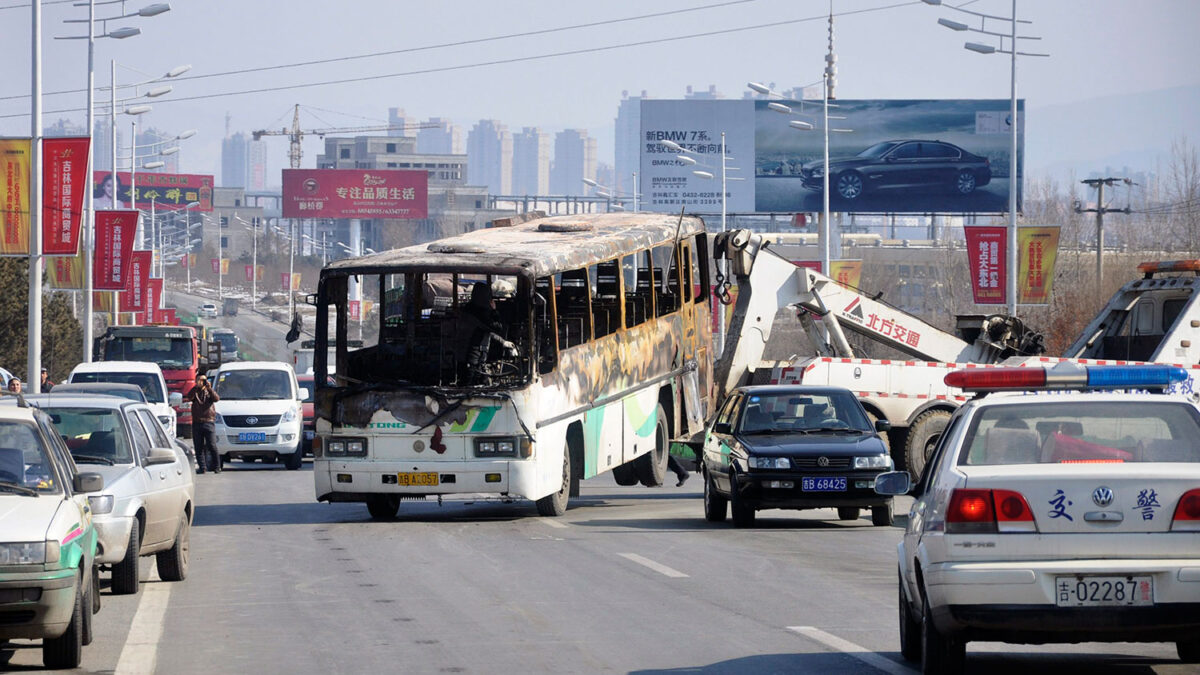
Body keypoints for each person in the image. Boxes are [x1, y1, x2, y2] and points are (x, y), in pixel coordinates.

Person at [457, 282, 516, 384]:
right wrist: (494, 311)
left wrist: (503, 342)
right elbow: (496, 327)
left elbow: (486, 330)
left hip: (471, 355)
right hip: (473, 356)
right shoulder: (479, 312)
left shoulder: (470, 309)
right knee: (469, 384)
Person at [186, 373, 221, 474]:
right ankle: (202, 467)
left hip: (209, 421)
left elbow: (216, 399)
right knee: (198, 446)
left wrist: (209, 388)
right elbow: (189, 397)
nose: (202, 382)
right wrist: (196, 387)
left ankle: (217, 466)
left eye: (203, 380)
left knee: (212, 445)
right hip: (197, 422)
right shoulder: (195, 392)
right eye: (200, 380)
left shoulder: (209, 392)